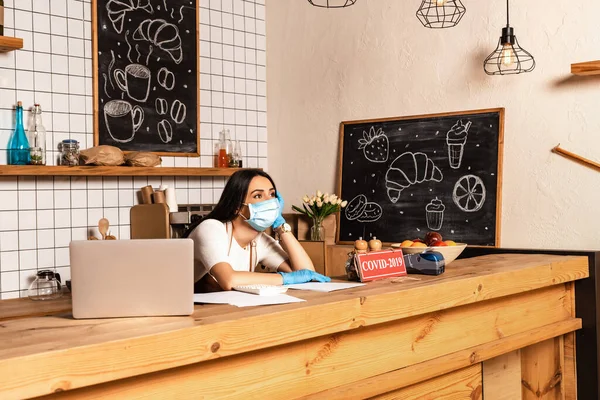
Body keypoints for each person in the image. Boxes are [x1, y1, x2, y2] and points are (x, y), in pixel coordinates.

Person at [185, 169, 330, 292]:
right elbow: (228, 280)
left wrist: (281, 226)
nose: (270, 202)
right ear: (237, 206)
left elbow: (307, 274)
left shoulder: (259, 240)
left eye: (272, 195)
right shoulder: (210, 228)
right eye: (258, 196)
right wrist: (286, 279)